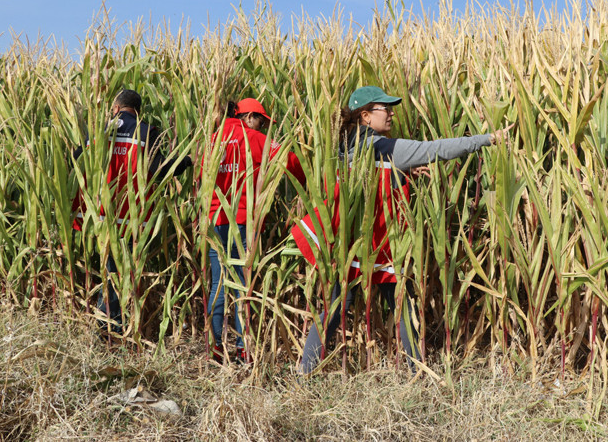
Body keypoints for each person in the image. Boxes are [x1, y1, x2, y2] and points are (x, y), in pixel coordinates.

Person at [292, 85, 512, 374]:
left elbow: (367, 180)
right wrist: (487, 139)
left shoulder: (345, 147)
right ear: (366, 116)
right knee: (403, 306)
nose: (392, 113)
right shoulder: (383, 147)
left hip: (347, 242)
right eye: (386, 109)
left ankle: (305, 372)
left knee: (335, 308)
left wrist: (402, 172)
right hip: (379, 242)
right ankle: (415, 369)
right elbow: (435, 150)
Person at [72, 88, 192, 335]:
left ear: (116, 108)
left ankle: (108, 323)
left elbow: (75, 159)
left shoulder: (98, 129)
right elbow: (160, 170)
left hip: (96, 213)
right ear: (137, 110)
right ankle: (107, 326)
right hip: (129, 215)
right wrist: (188, 159)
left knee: (111, 269)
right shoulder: (144, 131)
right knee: (117, 269)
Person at [205, 97, 305, 363]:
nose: (261, 127)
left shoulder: (212, 139)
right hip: (243, 222)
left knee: (218, 284)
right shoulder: (255, 139)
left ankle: (214, 349)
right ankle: (243, 349)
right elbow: (291, 161)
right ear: (248, 117)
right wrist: (306, 186)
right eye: (261, 121)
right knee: (241, 285)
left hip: (215, 220)